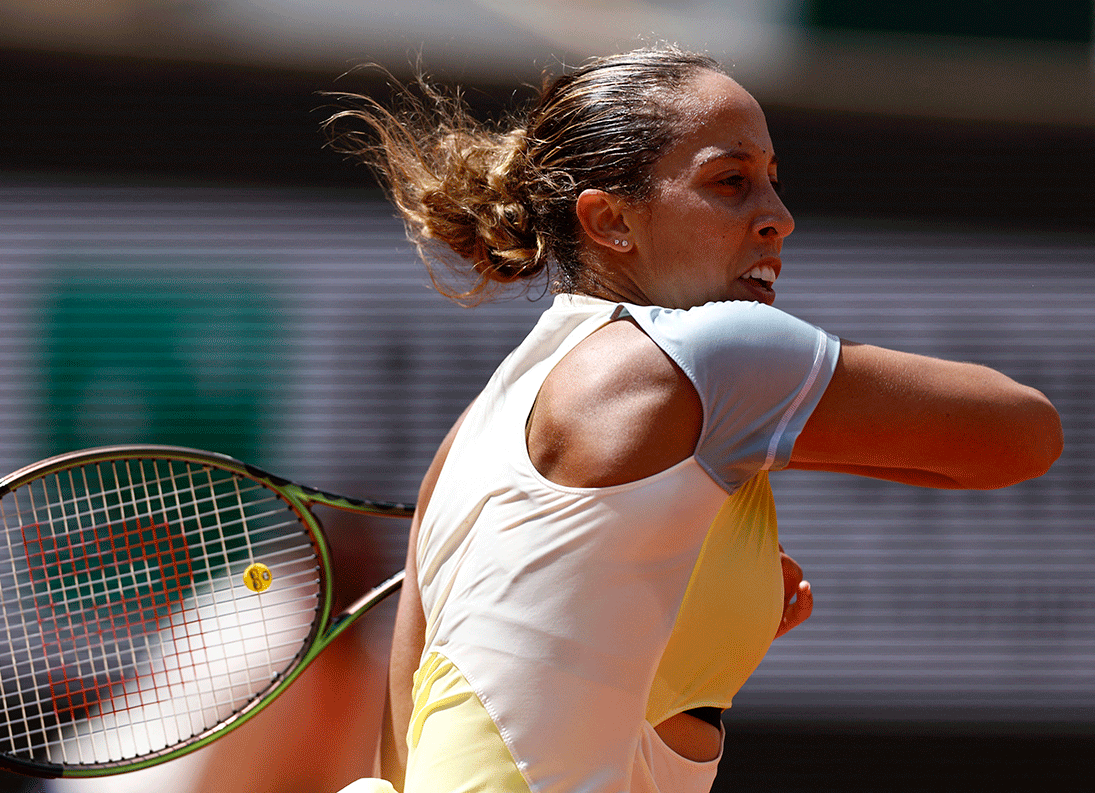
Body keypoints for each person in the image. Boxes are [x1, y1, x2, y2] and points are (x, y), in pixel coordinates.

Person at [328, 45, 1063, 793]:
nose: (779, 218)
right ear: (611, 219)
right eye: (731, 182)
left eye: (773, 181)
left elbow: (403, 766)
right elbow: (1024, 435)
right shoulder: (711, 355)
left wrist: (701, 597)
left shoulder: (469, 436)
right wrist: (755, 431)